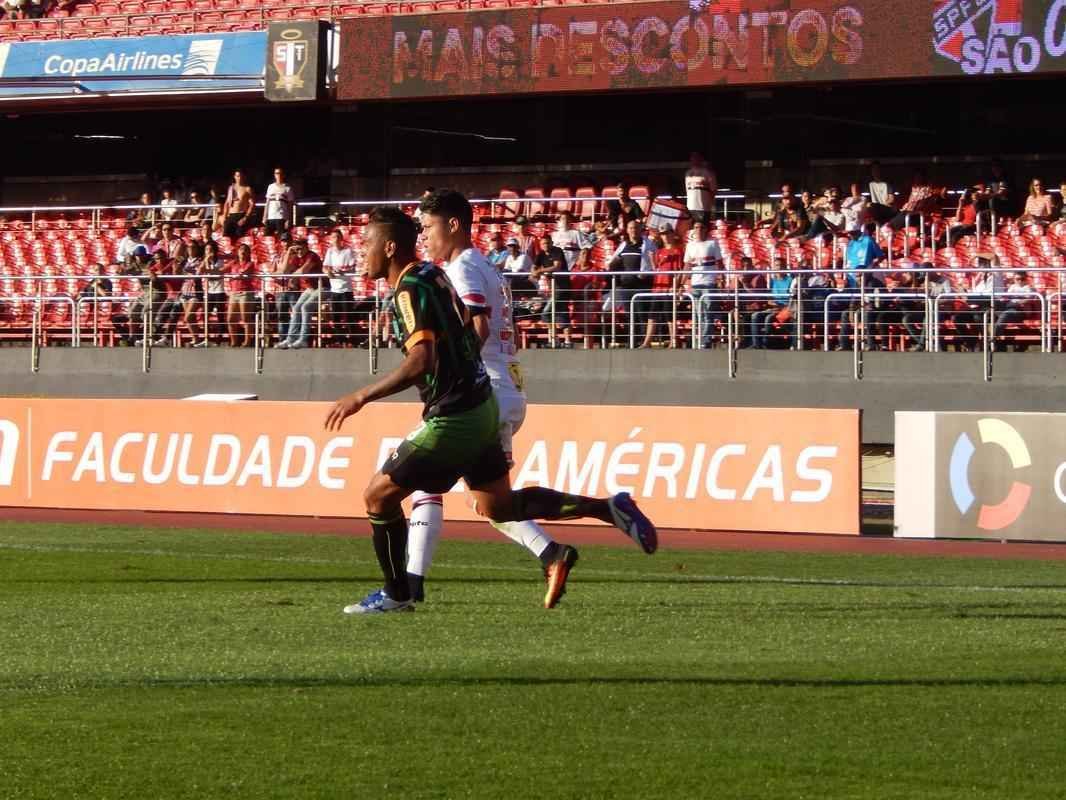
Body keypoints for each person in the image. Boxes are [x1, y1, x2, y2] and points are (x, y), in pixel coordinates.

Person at [324, 206, 657, 614]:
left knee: (378, 497)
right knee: (497, 505)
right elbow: (465, 325)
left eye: (366, 243)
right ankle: (603, 509)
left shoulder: (412, 286)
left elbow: (421, 360)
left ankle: (399, 593)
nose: (361, 252)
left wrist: (360, 396)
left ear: (389, 247)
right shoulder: (433, 274)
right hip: (483, 405)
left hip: (457, 414)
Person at [276, 239, 324, 349]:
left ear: (306, 247)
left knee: (305, 307)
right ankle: (290, 339)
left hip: (322, 287)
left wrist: (292, 276)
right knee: (296, 308)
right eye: (296, 249)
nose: (299, 251)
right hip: (309, 289)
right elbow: (284, 271)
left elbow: (303, 271)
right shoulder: (297, 258)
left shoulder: (312, 256)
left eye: (301, 248)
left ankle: (303, 339)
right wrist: (288, 252)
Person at [640, 228, 683, 348]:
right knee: (652, 314)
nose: (665, 236)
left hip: (668, 287)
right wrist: (651, 260)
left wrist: (676, 285)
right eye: (663, 234)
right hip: (658, 286)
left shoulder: (677, 251)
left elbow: (679, 271)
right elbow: (657, 269)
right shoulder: (659, 251)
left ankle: (673, 340)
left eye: (667, 234)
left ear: (672, 235)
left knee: (669, 314)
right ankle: (647, 341)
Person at [684, 220, 723, 348]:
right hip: (695, 283)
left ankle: (705, 341)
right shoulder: (690, 246)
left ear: (706, 229)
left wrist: (720, 278)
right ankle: (700, 338)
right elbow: (687, 265)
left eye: (701, 227)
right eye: (696, 227)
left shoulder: (712, 243)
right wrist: (682, 282)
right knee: (699, 313)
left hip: (709, 282)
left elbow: (720, 263)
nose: (699, 230)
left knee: (708, 313)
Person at [531, 232, 572, 345]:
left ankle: (555, 339)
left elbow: (556, 266)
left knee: (546, 313)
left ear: (552, 243)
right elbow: (534, 267)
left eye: (548, 243)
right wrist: (534, 272)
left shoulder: (557, 251)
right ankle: (566, 341)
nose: (546, 245)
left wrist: (540, 271)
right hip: (553, 288)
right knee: (562, 313)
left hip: (562, 287)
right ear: (540, 244)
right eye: (543, 243)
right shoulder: (541, 254)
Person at [322, 229, 361, 346]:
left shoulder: (348, 251)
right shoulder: (330, 251)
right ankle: (340, 340)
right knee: (336, 317)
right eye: (334, 237)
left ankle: (354, 340)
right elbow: (325, 267)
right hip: (334, 289)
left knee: (349, 316)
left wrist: (342, 271)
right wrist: (328, 271)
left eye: (338, 237)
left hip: (346, 290)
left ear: (341, 239)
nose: (336, 240)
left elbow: (352, 268)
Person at [902, 265, 952, 351]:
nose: (925, 276)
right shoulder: (926, 282)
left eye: (926, 274)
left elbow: (950, 298)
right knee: (906, 319)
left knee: (927, 319)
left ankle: (921, 344)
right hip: (927, 310)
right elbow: (918, 296)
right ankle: (924, 343)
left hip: (940, 310)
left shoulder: (945, 281)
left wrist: (934, 301)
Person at [993, 271, 1039, 351]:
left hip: (1021, 311)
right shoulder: (1012, 287)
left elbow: (1029, 299)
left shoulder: (1029, 288)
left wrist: (1018, 302)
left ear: (1026, 279)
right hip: (1010, 308)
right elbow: (1006, 298)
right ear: (1014, 279)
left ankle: (997, 343)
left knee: (1004, 315)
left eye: (1022, 279)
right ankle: (998, 342)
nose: (1020, 281)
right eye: (1018, 279)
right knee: (995, 313)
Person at [196, 239, 228, 347]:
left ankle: (219, 339)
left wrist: (206, 269)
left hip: (219, 291)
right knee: (205, 315)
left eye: (210, 250)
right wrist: (205, 260)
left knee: (220, 315)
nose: (208, 252)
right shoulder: (205, 261)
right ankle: (206, 338)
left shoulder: (219, 261)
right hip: (209, 291)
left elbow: (216, 273)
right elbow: (199, 271)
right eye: (206, 250)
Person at [226, 243, 256, 347]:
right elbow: (221, 270)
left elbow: (244, 272)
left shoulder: (250, 264)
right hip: (234, 292)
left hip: (245, 293)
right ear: (237, 252)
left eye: (245, 250)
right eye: (241, 250)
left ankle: (247, 341)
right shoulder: (233, 263)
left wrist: (235, 276)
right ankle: (234, 341)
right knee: (230, 318)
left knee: (246, 317)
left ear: (248, 253)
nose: (242, 252)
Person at [684, 152, 717, 225]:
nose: (694, 160)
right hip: (690, 208)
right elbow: (687, 191)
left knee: (702, 229)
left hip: (703, 208)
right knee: (691, 231)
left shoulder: (707, 173)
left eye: (696, 157)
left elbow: (713, 190)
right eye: (692, 158)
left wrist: (710, 205)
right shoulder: (688, 173)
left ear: (701, 159)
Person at [221, 169, 256, 239]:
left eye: (240, 176)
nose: (239, 178)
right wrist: (224, 216)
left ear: (243, 177)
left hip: (241, 215)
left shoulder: (247, 189)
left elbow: (252, 204)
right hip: (231, 215)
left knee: (239, 237)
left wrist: (245, 217)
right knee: (226, 236)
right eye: (237, 176)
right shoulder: (231, 188)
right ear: (235, 177)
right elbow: (227, 203)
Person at [263, 167, 295, 236]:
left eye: (280, 173)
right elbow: (267, 203)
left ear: (283, 175)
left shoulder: (287, 188)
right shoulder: (270, 187)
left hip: (282, 217)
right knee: (268, 238)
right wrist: (264, 217)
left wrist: (289, 219)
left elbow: (290, 206)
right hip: (270, 217)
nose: (279, 175)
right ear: (274, 175)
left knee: (281, 238)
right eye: (277, 173)